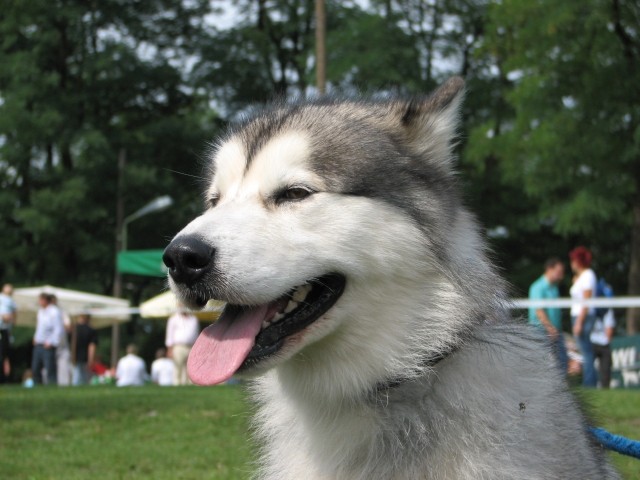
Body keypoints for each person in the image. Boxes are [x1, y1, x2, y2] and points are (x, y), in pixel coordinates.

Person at [528, 258, 568, 373]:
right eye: (559, 272)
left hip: (555, 331)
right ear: (549, 269)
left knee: (562, 362)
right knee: (541, 363)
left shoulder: (554, 288)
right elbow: (539, 310)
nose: (561, 276)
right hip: (540, 331)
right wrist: (549, 327)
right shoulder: (537, 287)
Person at [569, 246, 598, 387]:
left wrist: (579, 322)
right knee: (585, 350)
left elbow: (586, 300)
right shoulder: (583, 277)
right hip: (580, 316)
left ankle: (589, 383)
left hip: (583, 317)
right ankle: (589, 382)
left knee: (585, 351)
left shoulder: (587, 275)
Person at [32, 293, 64, 385]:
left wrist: (52, 341)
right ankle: (37, 384)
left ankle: (52, 384)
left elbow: (58, 328)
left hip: (48, 344)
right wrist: (35, 337)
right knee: (36, 367)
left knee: (50, 367)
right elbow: (39, 327)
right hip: (39, 342)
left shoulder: (54, 311)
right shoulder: (41, 312)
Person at [165, 307, 200, 385]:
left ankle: (189, 384)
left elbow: (196, 334)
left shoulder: (194, 319)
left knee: (189, 368)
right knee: (178, 367)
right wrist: (169, 349)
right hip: (178, 346)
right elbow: (169, 335)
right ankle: (177, 384)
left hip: (191, 346)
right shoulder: (173, 319)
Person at [50, 295, 72, 386]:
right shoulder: (44, 312)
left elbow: (68, 327)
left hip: (61, 343)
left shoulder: (61, 312)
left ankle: (64, 384)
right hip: (50, 343)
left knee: (63, 364)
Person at [591, 309, 615, 388]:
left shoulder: (608, 311)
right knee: (589, 366)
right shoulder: (590, 309)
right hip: (592, 342)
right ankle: (590, 385)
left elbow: (609, 331)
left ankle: (604, 387)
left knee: (606, 368)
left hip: (603, 343)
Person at [72, 313, 98, 386]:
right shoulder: (91, 330)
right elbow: (92, 346)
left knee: (77, 373)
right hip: (85, 356)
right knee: (83, 375)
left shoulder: (74, 329)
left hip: (74, 355)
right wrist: (91, 359)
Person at [0, 283, 17, 382]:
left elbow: (13, 317)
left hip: (5, 330)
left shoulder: (11, 301)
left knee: (4, 355)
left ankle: (4, 378)